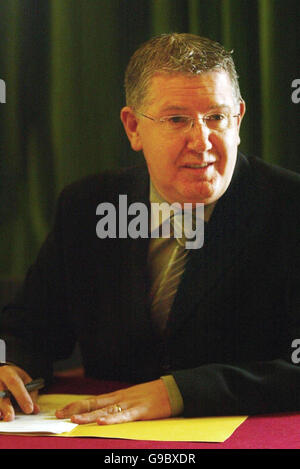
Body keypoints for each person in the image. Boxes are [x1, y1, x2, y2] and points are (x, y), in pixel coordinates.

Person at [1, 33, 300, 425]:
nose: (202, 140)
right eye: (177, 119)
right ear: (133, 128)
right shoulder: (88, 206)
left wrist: (176, 392)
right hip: (101, 438)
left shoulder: (290, 207)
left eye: (216, 117)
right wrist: (11, 367)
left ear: (238, 120)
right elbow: (30, 330)